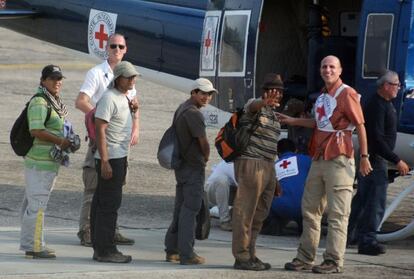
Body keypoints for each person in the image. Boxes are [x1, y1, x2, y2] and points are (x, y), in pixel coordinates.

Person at [279, 55, 372, 274]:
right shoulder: (322, 96)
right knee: (310, 209)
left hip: (339, 158)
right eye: (324, 66)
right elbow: (319, 123)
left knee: (338, 213)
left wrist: (365, 156)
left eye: (332, 67)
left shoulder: (346, 94)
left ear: (340, 70)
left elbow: (360, 126)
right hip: (319, 158)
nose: (327, 70)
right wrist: (292, 121)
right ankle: (305, 256)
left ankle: (333, 260)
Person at [75, 33, 138, 246]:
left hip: (120, 143)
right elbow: (81, 101)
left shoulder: (127, 74)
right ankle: (87, 231)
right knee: (93, 187)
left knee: (115, 188)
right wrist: (101, 116)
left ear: (126, 49)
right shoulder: (96, 73)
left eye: (121, 46)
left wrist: (135, 129)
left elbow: (133, 105)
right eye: (113, 46)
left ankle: (111, 229)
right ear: (106, 47)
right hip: (100, 140)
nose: (117, 50)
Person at [347, 71, 410, 256]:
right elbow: (376, 139)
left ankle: (349, 235)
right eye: (396, 84)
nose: (399, 87)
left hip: (374, 158)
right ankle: (367, 240)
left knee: (362, 199)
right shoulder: (377, 106)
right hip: (375, 160)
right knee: (375, 203)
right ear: (385, 86)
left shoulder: (384, 104)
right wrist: (396, 160)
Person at [232, 73, 283, 271]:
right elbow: (251, 106)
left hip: (268, 165)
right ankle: (241, 256)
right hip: (251, 163)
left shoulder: (272, 113)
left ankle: (251, 253)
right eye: (272, 90)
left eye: (279, 91)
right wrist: (263, 102)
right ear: (265, 91)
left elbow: (272, 147)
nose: (276, 94)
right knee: (245, 211)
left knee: (260, 213)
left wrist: (275, 177)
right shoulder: (255, 106)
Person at [20, 65, 71, 259]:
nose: (57, 82)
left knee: (33, 205)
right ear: (43, 81)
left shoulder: (53, 102)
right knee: (38, 206)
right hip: (40, 163)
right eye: (52, 78)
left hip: (47, 162)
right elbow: (36, 130)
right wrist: (60, 141)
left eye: (59, 78)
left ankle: (30, 243)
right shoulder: (40, 103)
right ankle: (35, 247)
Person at [90, 61, 139, 263]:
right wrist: (105, 161)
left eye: (133, 77)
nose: (132, 80)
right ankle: (106, 250)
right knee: (109, 205)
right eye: (129, 77)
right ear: (118, 78)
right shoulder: (109, 98)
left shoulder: (125, 97)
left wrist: (134, 110)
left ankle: (100, 247)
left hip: (119, 156)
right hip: (111, 158)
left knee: (102, 203)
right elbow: (100, 129)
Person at [164, 78, 217, 265]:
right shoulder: (194, 114)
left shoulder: (182, 108)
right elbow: (203, 142)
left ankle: (172, 250)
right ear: (193, 92)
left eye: (209, 94)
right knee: (191, 209)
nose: (207, 97)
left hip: (182, 166)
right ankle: (187, 254)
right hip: (193, 166)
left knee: (180, 208)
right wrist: (206, 155)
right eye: (203, 93)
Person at [261, 138, 311, 236]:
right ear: (296, 150)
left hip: (280, 207)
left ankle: (273, 227)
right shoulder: (306, 159)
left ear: (278, 153)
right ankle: (304, 229)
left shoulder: (273, 166)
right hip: (304, 208)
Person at [204, 160, 237, 231]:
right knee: (222, 180)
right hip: (211, 194)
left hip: (228, 194)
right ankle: (225, 221)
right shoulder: (232, 163)